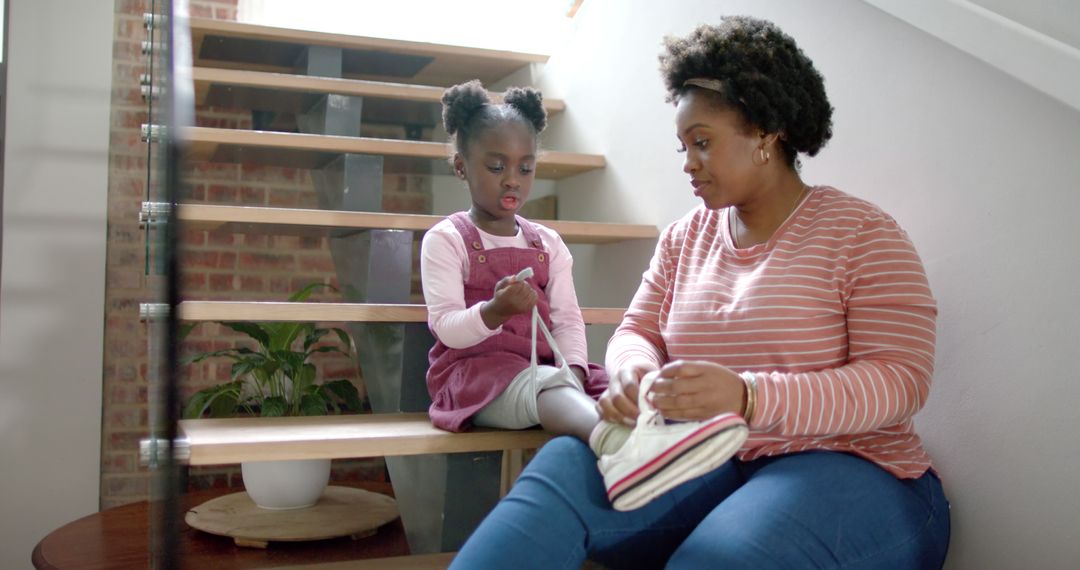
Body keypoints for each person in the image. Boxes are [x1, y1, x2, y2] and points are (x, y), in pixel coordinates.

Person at [450, 16, 951, 569]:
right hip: (707, 456)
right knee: (564, 470)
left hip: (855, 467)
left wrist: (748, 396)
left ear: (766, 132)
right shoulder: (685, 237)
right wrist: (631, 373)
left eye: (703, 143)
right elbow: (637, 332)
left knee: (722, 555)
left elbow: (900, 381)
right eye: (684, 145)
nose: (688, 163)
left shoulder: (862, 233)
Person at [423, 80, 747, 510]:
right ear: (462, 166)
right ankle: (618, 447)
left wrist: (573, 368)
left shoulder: (547, 244)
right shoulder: (447, 240)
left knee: (610, 384)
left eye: (525, 167)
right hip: (476, 378)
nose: (513, 181)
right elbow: (447, 329)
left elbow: (569, 320)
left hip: (545, 370)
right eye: (496, 167)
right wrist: (494, 312)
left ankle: (680, 440)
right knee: (547, 385)